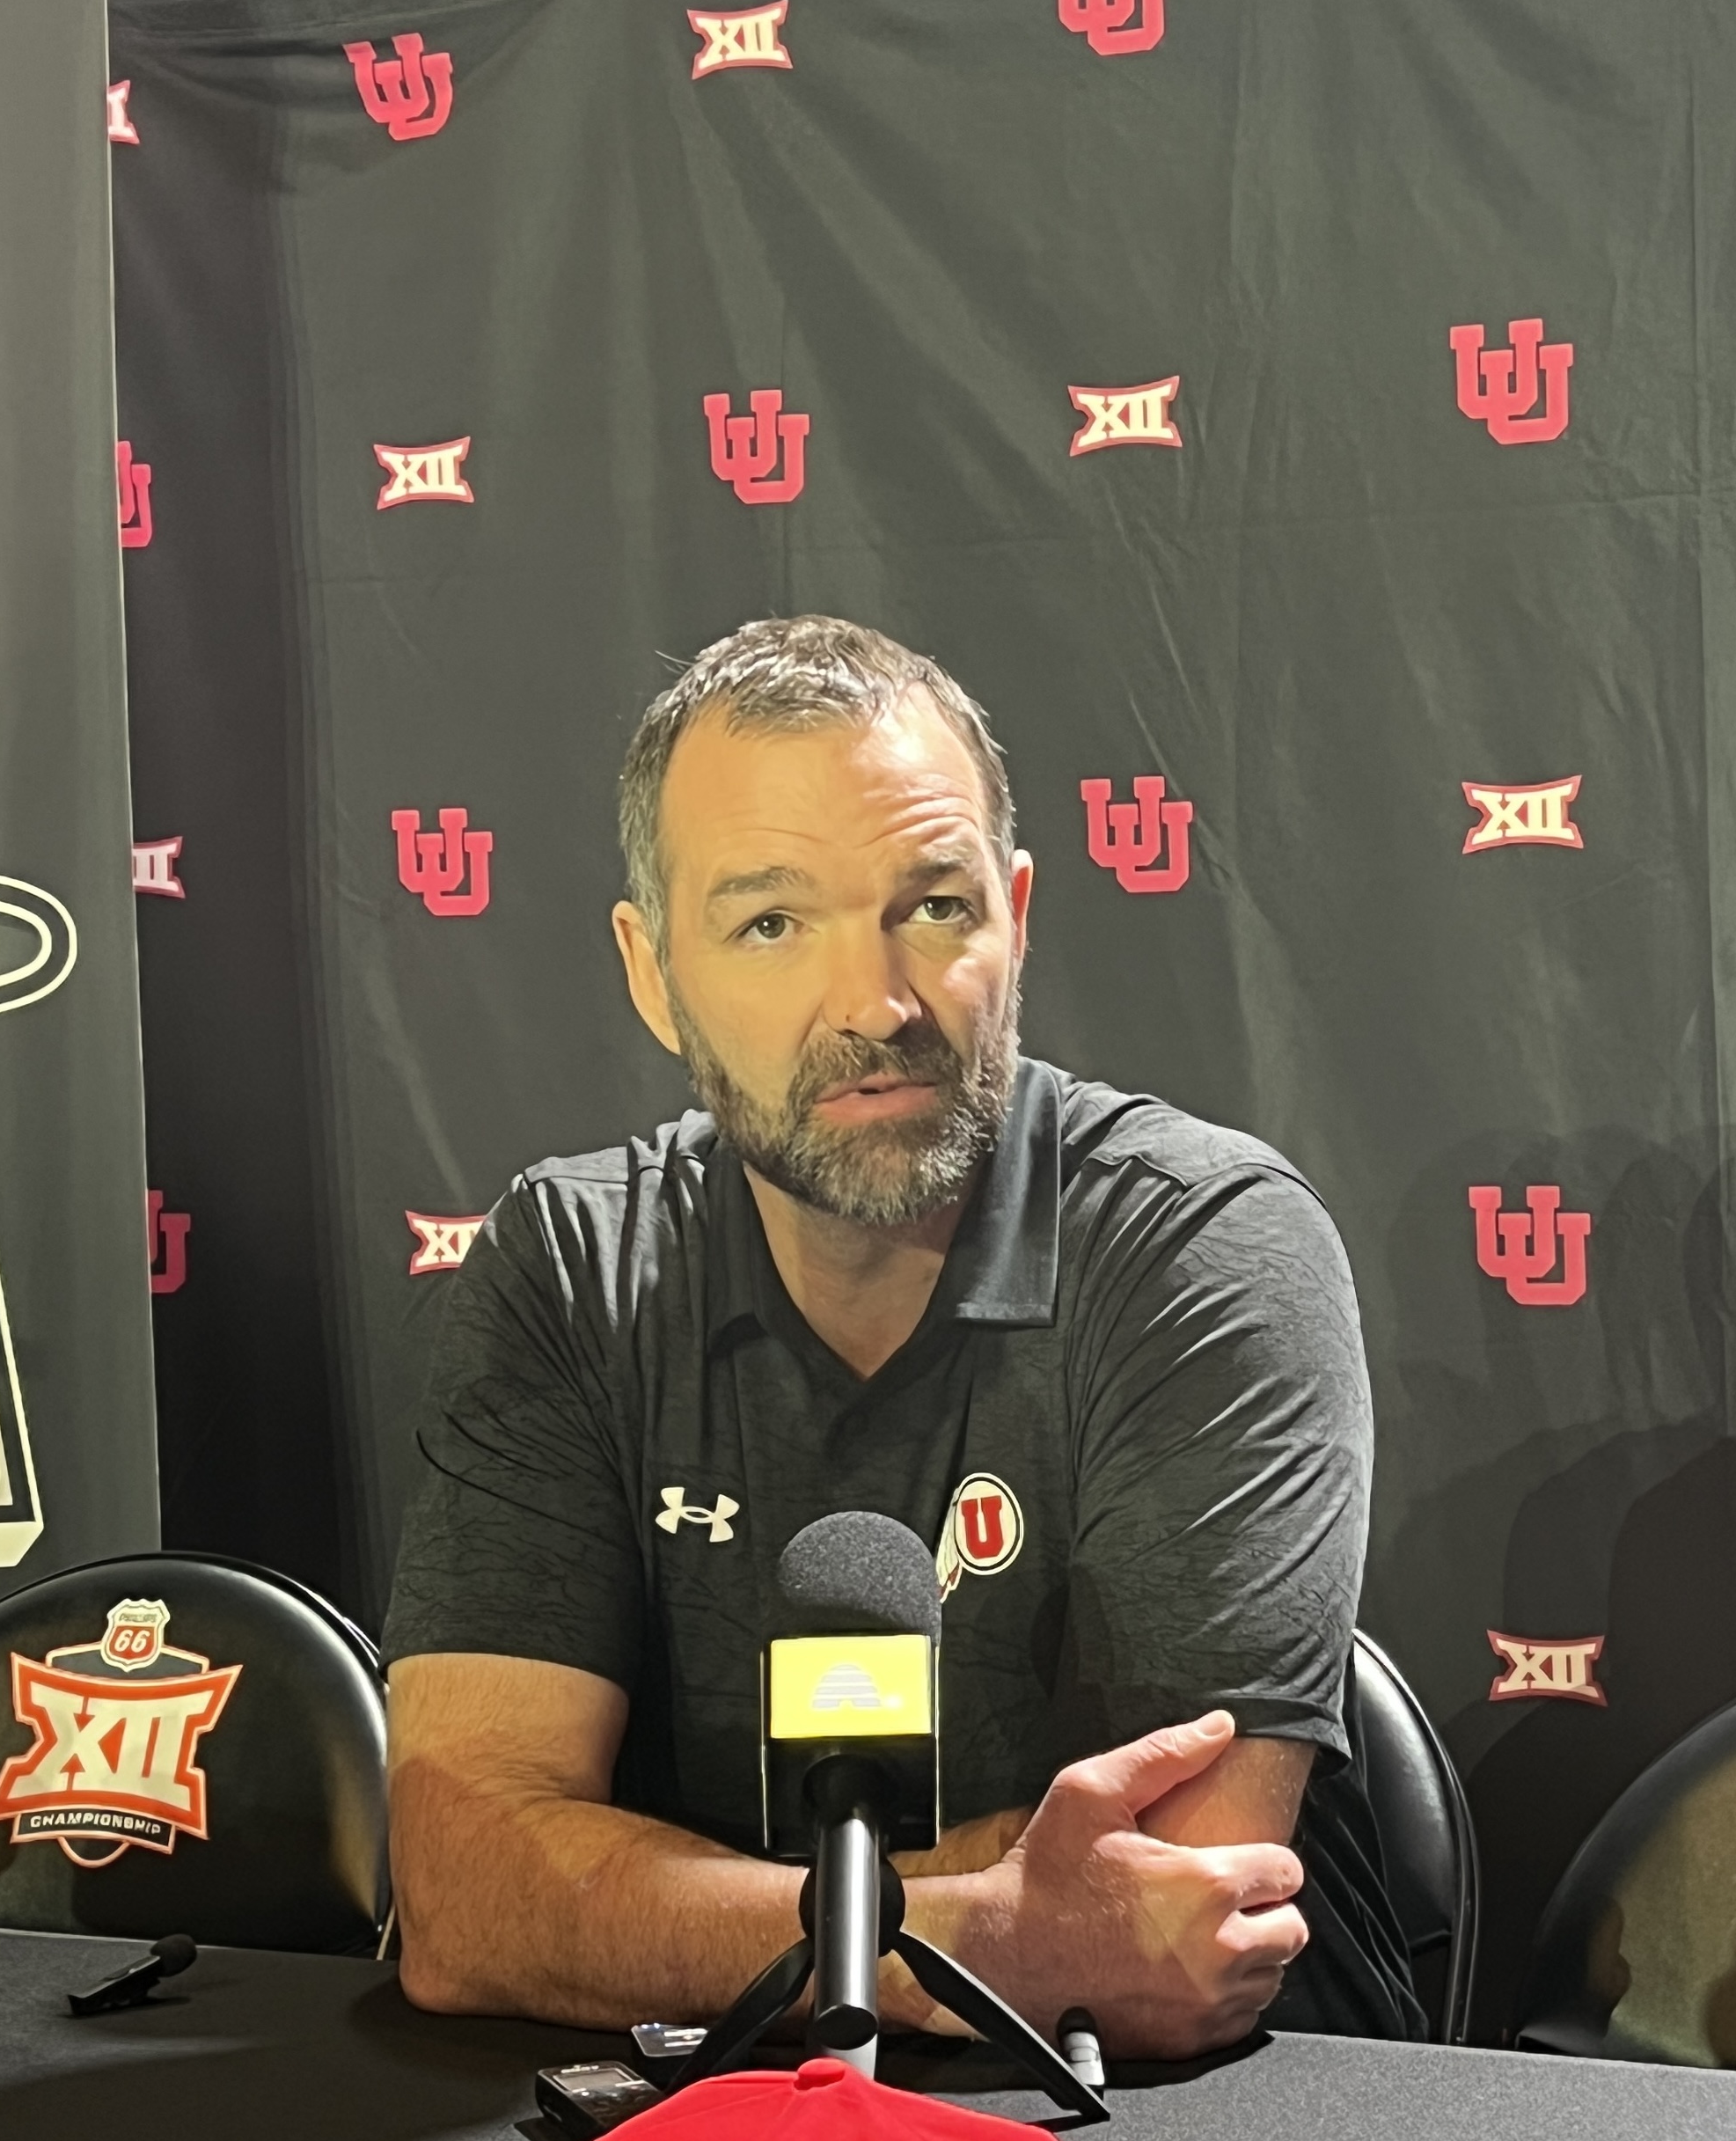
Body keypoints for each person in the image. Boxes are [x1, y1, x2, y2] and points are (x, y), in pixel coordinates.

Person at [383, 615, 1421, 2056]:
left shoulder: (1204, 1246)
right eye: (769, 923)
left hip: (1183, 2136)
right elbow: (465, 1899)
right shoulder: (573, 1267)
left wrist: (642, 1886)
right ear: (649, 972)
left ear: (1018, 914)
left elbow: (1166, 1924)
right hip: (724, 2123)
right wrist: (970, 1928)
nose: (874, 1004)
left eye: (933, 907)